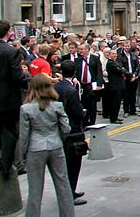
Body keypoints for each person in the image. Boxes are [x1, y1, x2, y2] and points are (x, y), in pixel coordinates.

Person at [19, 74, 75, 217]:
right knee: (63, 184)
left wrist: (22, 155)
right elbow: (66, 129)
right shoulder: (57, 105)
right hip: (55, 145)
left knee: (35, 189)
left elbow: (24, 136)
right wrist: (59, 139)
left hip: (35, 148)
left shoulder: (26, 109)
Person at [0, 20, 29, 179]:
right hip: (7, 100)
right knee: (9, 133)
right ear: (8, 33)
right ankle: (7, 166)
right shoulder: (11, 52)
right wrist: (29, 81)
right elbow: (17, 76)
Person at [54, 61, 87, 205]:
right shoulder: (71, 90)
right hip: (72, 130)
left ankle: (69, 191)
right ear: (74, 72)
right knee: (73, 165)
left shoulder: (55, 87)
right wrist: (82, 112)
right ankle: (69, 194)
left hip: (59, 130)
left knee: (64, 165)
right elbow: (77, 112)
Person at [74, 44, 103, 127]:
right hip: (82, 85)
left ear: (87, 50)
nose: (80, 51)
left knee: (92, 105)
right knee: (83, 104)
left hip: (91, 85)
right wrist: (74, 78)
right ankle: (84, 122)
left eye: (82, 49)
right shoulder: (78, 60)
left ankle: (92, 122)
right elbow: (75, 72)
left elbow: (99, 72)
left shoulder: (95, 58)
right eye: (79, 49)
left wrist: (99, 84)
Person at [105, 49, 126, 124]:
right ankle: (113, 118)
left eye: (115, 54)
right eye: (113, 54)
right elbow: (120, 70)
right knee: (114, 102)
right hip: (114, 86)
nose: (115, 55)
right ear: (109, 55)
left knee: (118, 102)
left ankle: (116, 116)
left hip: (119, 85)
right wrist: (122, 70)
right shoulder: (110, 63)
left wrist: (122, 70)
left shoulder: (115, 62)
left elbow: (122, 68)